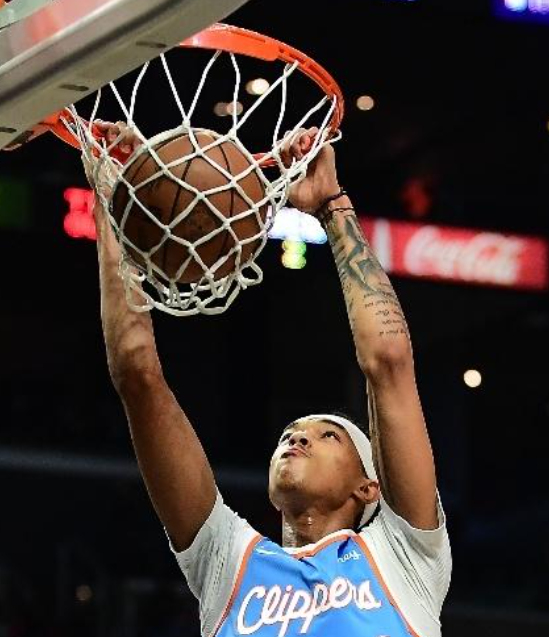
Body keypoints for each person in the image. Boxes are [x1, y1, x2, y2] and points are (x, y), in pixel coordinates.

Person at [85, 123, 452, 636]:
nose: (297, 438)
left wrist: (333, 207)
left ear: (369, 488)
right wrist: (115, 200)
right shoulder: (226, 562)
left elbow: (388, 361)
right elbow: (136, 371)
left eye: (329, 436)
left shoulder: (404, 556)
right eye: (290, 433)